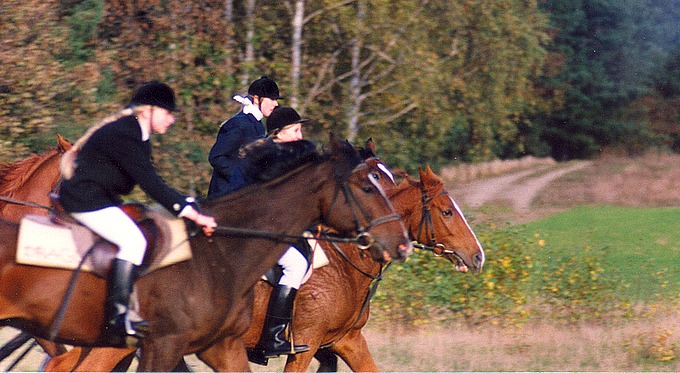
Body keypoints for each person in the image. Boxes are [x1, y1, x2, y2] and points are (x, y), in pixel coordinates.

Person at [59, 81, 217, 347]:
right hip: (86, 200)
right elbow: (151, 184)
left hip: (102, 199)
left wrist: (187, 203)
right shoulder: (126, 134)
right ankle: (117, 317)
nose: (172, 119)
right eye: (168, 113)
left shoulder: (137, 135)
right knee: (134, 242)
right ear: (149, 110)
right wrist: (192, 214)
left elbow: (152, 181)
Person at [249, 106, 311, 360]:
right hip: (261, 228)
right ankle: (273, 337)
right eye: (295, 130)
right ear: (279, 133)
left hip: (275, 227)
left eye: (300, 129)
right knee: (295, 265)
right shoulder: (269, 156)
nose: (300, 135)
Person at [208, 76, 281, 197]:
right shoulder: (239, 123)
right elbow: (217, 157)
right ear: (257, 99)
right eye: (272, 99)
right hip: (225, 197)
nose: (276, 104)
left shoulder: (258, 125)